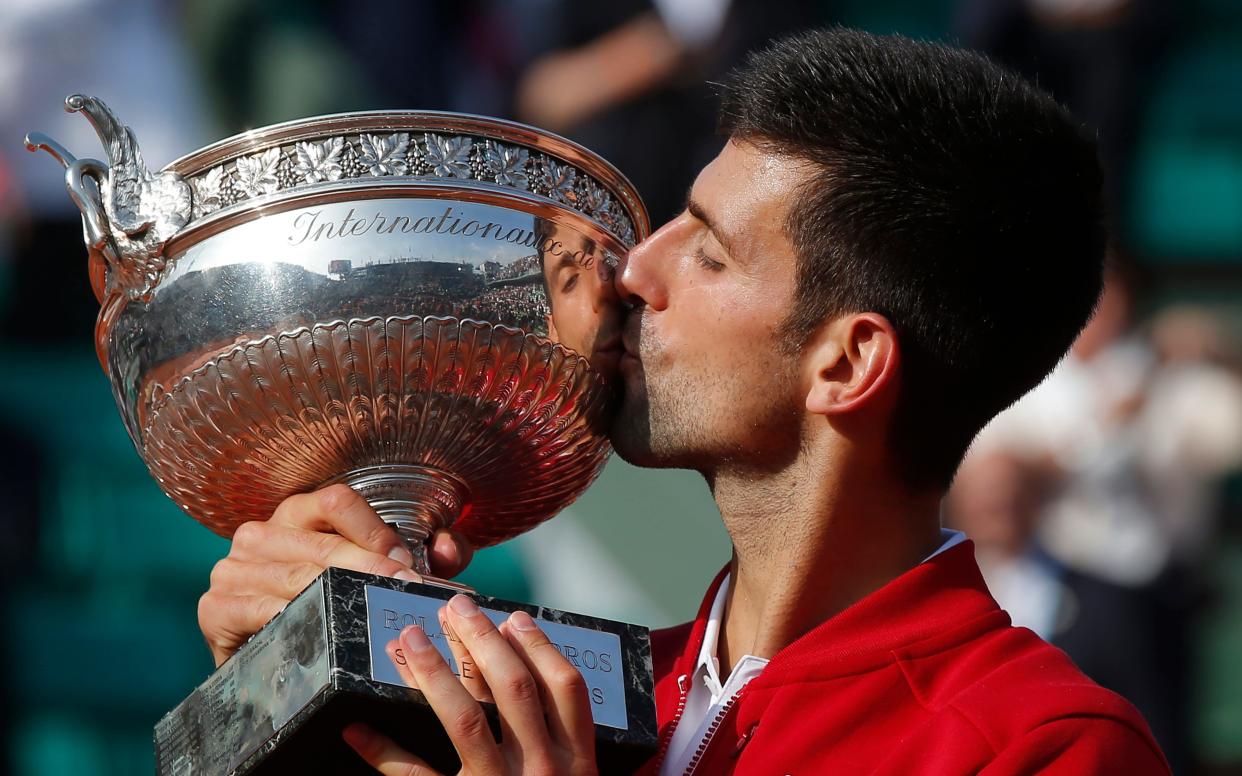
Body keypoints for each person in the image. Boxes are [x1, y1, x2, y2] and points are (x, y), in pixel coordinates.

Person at [196, 28, 1171, 774]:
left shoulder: (1039, 745)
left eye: (706, 249)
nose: (633, 266)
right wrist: (274, 696)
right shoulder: (561, 699)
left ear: (846, 363)